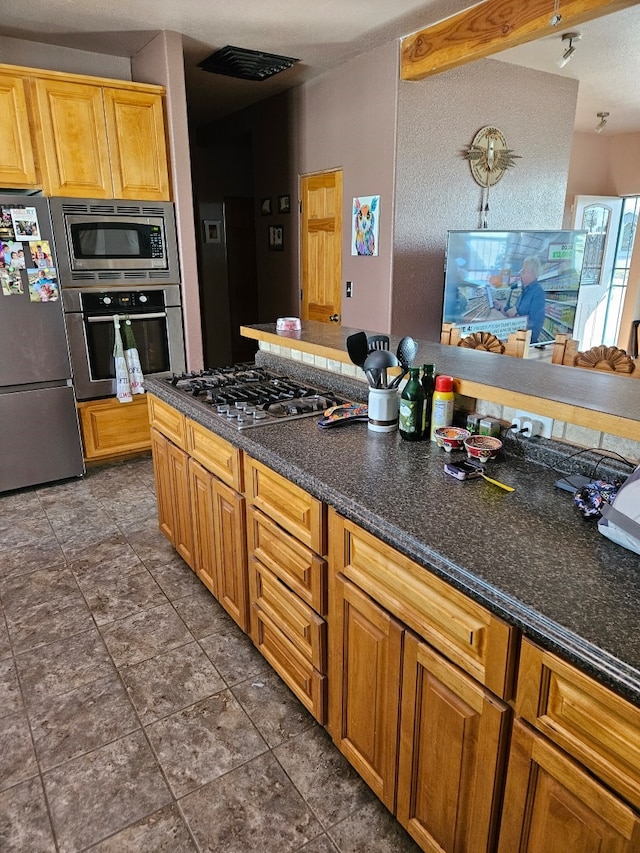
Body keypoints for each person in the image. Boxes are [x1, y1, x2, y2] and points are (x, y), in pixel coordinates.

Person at [498, 256, 546, 343]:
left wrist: (516, 315)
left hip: (526, 345)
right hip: (517, 340)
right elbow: (513, 313)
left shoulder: (538, 294)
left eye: (523, 271)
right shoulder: (524, 292)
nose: (520, 275)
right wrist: (499, 307)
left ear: (531, 273)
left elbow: (534, 329)